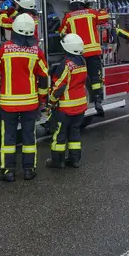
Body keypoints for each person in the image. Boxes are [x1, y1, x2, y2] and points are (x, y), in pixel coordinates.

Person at [0, 13, 50, 182]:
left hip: (8, 104)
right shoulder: (37, 52)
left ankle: (8, 171)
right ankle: (29, 170)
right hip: (30, 103)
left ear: (14, 30)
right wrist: (43, 99)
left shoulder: (3, 50)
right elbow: (44, 78)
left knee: (8, 137)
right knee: (29, 136)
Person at [58, 0, 110, 116]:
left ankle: (80, 100)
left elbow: (62, 33)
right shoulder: (92, 13)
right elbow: (105, 17)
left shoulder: (68, 17)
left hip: (78, 53)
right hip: (93, 52)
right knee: (95, 78)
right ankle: (97, 100)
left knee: (79, 77)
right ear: (83, 3)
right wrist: (101, 10)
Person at [45, 34, 89, 169]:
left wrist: (51, 102)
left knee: (59, 134)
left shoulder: (66, 65)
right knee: (74, 132)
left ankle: (58, 162)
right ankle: (74, 160)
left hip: (66, 108)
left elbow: (59, 86)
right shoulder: (82, 62)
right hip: (80, 106)